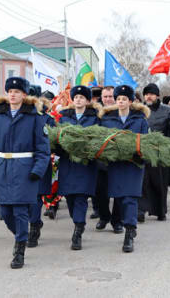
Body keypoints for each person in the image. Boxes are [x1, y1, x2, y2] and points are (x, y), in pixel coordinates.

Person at [0, 77, 50, 269]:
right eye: (10, 91)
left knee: (20, 211)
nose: (12, 94)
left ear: (24, 94)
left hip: (25, 170)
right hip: (2, 168)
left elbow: (43, 149)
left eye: (17, 92)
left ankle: (19, 249)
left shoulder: (34, 117)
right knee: (5, 211)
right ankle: (21, 235)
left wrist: (37, 171)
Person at [99, 85, 149, 252]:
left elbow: (146, 141)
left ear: (130, 101)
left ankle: (129, 231)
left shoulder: (140, 120)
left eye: (124, 99)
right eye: (118, 99)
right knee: (119, 198)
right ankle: (129, 225)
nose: (120, 102)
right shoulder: (107, 120)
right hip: (115, 165)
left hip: (133, 165)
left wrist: (139, 154)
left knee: (130, 198)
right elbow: (102, 141)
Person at [57, 85, 100, 250]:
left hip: (85, 164)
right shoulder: (64, 117)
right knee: (70, 198)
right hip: (68, 163)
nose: (78, 100)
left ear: (87, 100)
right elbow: (58, 137)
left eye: (82, 97)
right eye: (76, 97)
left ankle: (78, 230)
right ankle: (77, 222)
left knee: (81, 197)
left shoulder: (94, 117)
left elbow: (97, 138)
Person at [138, 83, 170, 222]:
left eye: (151, 94)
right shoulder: (139, 110)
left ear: (157, 96)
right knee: (143, 182)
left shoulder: (167, 110)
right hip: (143, 151)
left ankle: (160, 211)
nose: (148, 96)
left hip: (161, 152)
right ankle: (141, 210)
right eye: (146, 94)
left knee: (159, 183)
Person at [27, 96, 56, 248]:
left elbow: (51, 140)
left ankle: (33, 228)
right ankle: (36, 222)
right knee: (25, 200)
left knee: (36, 198)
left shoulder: (46, 119)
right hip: (22, 164)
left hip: (40, 162)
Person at [95, 86, 122, 233]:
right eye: (105, 97)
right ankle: (104, 217)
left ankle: (117, 221)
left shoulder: (123, 113)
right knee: (100, 192)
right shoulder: (97, 114)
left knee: (118, 191)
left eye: (111, 96)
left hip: (118, 160)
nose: (108, 99)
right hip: (101, 160)